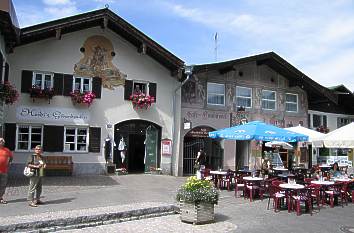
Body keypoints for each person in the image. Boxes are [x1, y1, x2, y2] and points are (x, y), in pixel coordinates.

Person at [0, 138, 13, 204]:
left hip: (4, 170)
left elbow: (11, 158)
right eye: (0, 141)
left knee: (3, 185)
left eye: (2, 141)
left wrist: (9, 163)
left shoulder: (7, 150)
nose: (1, 142)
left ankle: (0, 198)